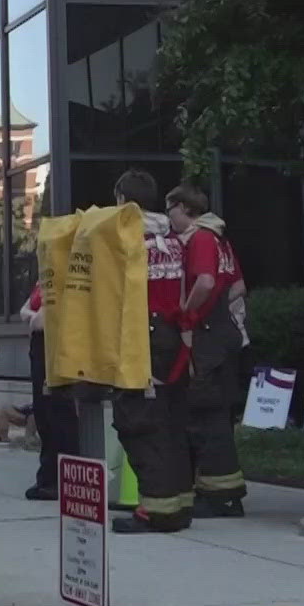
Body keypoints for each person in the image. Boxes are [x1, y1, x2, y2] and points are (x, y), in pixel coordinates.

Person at [111, 169, 191, 534]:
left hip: (140, 337)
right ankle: (176, 502)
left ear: (123, 201)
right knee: (170, 419)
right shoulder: (173, 239)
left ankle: (155, 509)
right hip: (172, 335)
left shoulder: (125, 239)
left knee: (139, 421)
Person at [166, 184, 249, 517]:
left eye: (170, 209)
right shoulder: (220, 239)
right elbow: (238, 286)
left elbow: (206, 282)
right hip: (226, 335)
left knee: (204, 414)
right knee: (218, 414)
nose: (169, 216)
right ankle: (223, 491)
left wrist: (188, 312)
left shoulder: (200, 238)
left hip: (207, 339)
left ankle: (220, 496)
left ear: (185, 208)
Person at [22, 281, 77, 501]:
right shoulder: (42, 280)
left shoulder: (59, 276)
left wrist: (33, 318)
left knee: (57, 413)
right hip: (39, 347)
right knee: (44, 412)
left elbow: (41, 320)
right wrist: (33, 317)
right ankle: (49, 476)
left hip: (52, 345)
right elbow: (24, 311)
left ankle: (58, 479)